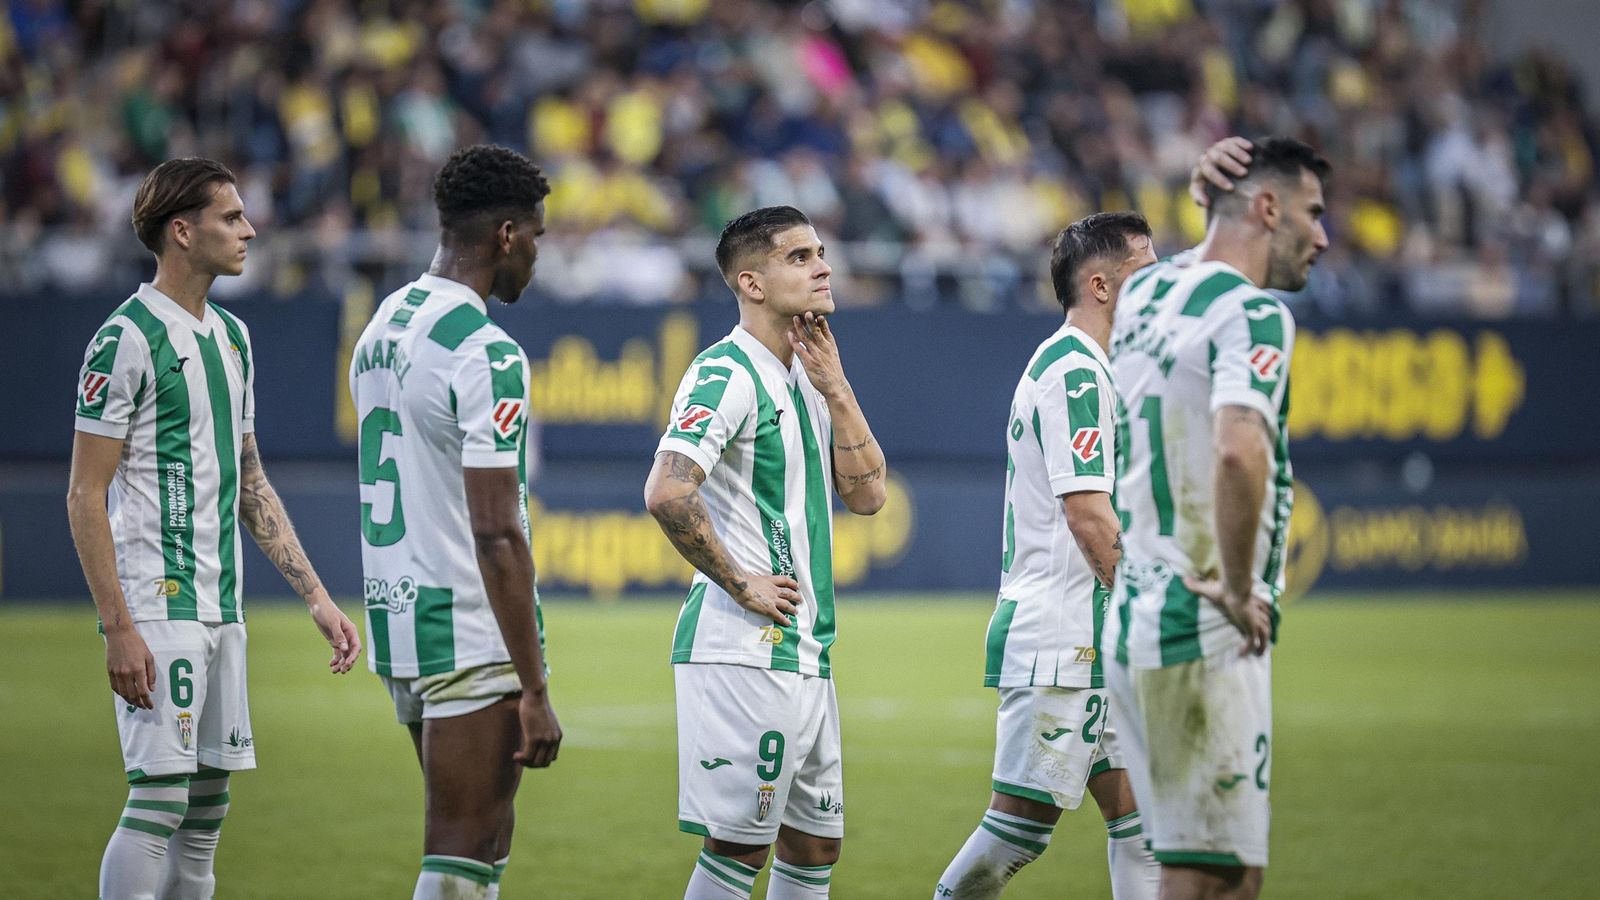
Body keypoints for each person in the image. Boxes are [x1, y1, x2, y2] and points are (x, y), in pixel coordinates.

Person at [66, 157, 362, 900]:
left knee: (205, 816)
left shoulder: (233, 337)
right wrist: (118, 628)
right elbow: (83, 491)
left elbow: (251, 482)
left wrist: (318, 598)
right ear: (181, 230)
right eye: (231, 217)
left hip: (221, 607)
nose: (250, 230)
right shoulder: (124, 338)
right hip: (156, 604)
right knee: (157, 801)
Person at [1102, 136, 1331, 900]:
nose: (1323, 237)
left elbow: (1178, 273)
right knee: (1210, 875)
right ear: (1268, 208)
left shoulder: (1145, 295)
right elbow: (1239, 452)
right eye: (1313, 213)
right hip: (1199, 617)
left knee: (1219, 869)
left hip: (1134, 613)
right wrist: (1239, 588)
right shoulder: (1256, 313)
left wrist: (1205, 199)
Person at [643, 206, 887, 900]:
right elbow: (667, 489)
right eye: (801, 257)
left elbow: (869, 497)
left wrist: (837, 389)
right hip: (744, 649)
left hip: (805, 649)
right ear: (751, 282)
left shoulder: (809, 373)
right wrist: (740, 581)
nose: (823, 267)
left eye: (820, 253)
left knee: (815, 845)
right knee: (740, 847)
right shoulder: (725, 372)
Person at [348, 144, 562, 900]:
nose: (537, 255)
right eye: (536, 236)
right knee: (461, 850)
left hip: (400, 619)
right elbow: (496, 530)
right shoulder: (486, 351)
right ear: (506, 234)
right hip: (468, 622)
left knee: (481, 847)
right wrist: (534, 686)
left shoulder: (383, 326)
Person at [934, 212, 1161, 900]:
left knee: (1146, 822)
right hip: (1065, 641)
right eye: (1147, 274)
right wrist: (1151, 614)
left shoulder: (1098, 368)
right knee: (1016, 836)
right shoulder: (1075, 372)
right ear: (1100, 285)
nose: (1162, 288)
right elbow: (1088, 515)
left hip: (1097, 633)